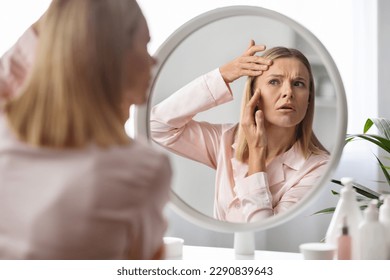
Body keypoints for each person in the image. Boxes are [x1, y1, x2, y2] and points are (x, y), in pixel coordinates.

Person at [0, 0, 171, 259]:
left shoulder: (5, 134)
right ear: (112, 54)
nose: (153, 59)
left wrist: (68, 14)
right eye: (145, 45)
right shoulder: (142, 170)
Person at [151, 42, 329, 223]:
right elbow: (155, 125)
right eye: (274, 81)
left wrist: (256, 153)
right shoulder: (225, 140)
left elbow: (263, 231)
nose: (288, 92)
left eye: (298, 83)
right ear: (254, 95)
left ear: (308, 99)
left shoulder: (318, 167)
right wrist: (223, 75)